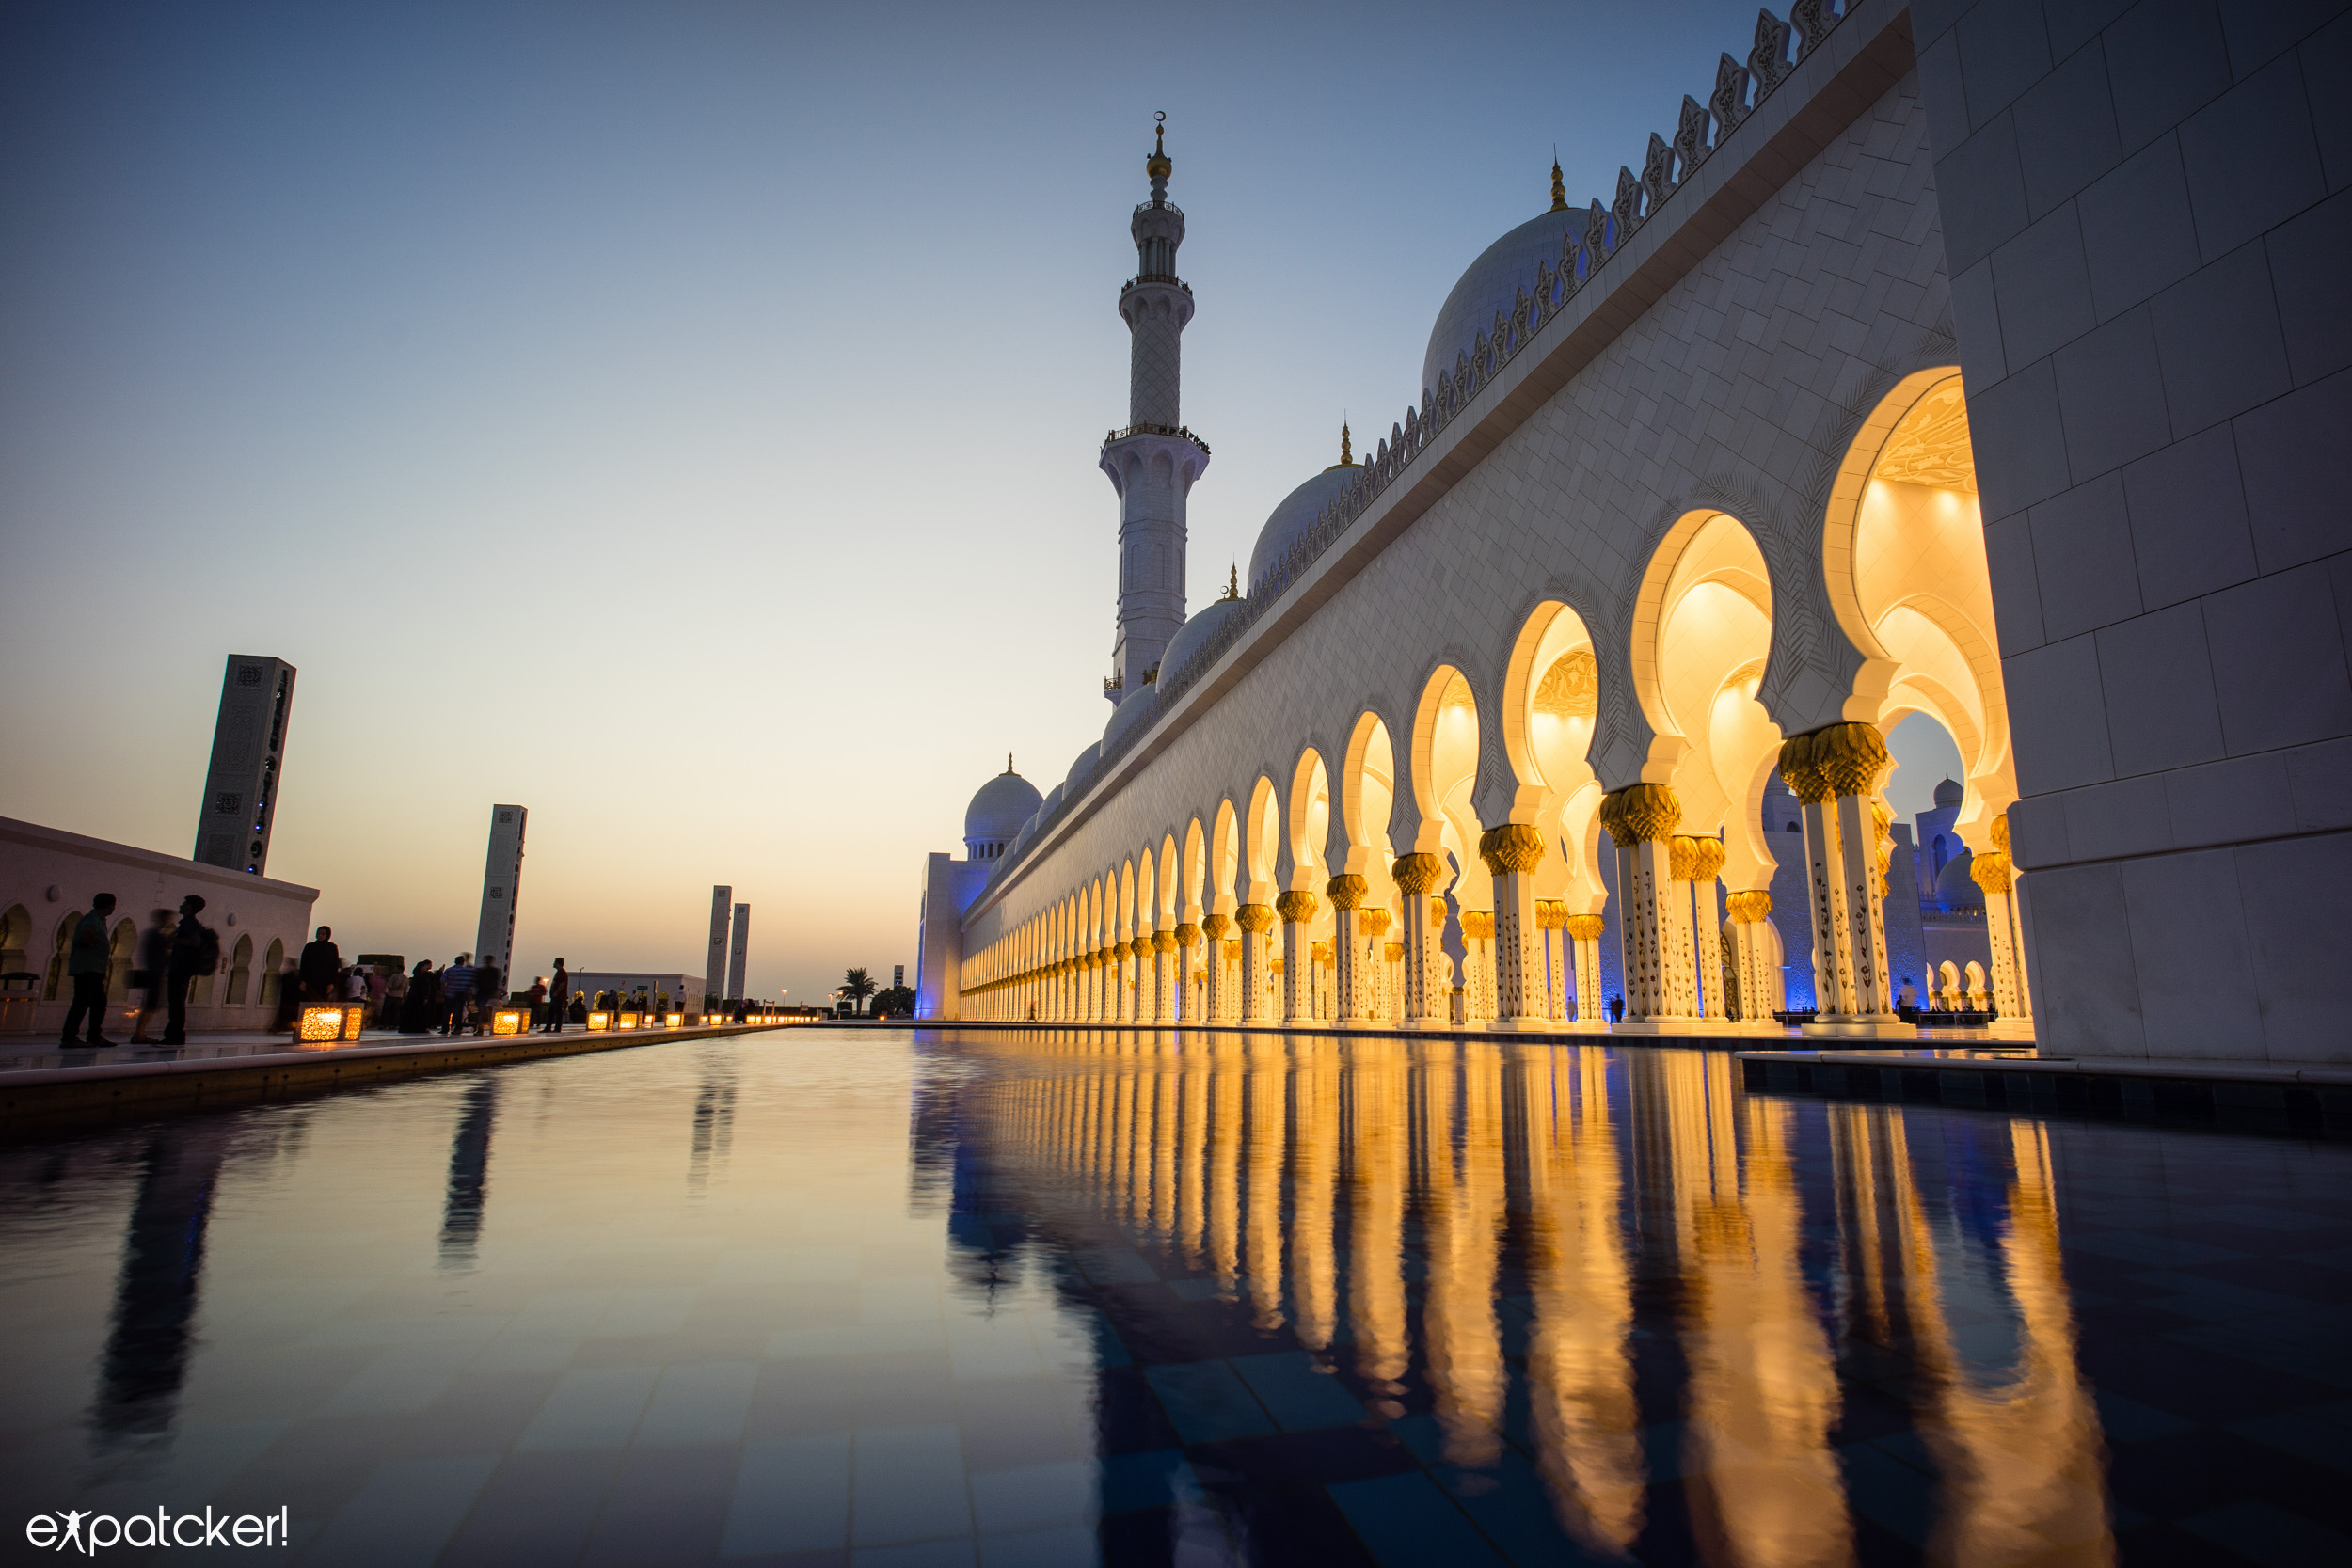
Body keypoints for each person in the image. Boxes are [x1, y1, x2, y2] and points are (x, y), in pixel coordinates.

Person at [160, 895, 219, 1046]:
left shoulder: (189, 923)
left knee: (177, 1003)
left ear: (190, 907)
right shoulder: (188, 924)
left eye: (184, 903)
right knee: (177, 1003)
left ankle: (175, 1036)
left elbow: (195, 942)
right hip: (182, 968)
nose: (181, 905)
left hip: (181, 968)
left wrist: (175, 940)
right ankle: (174, 1034)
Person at [61, 893, 118, 1048]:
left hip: (95, 970)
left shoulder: (98, 919)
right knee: (81, 1003)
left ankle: (94, 1036)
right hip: (88, 969)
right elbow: (87, 930)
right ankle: (69, 1037)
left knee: (98, 1003)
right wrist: (90, 943)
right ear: (109, 906)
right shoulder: (92, 918)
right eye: (113, 905)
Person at [130, 907, 174, 1044]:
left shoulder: (151, 934)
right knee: (150, 1005)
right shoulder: (156, 936)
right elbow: (161, 956)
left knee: (149, 1005)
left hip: (152, 973)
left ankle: (139, 1033)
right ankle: (139, 1034)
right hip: (155, 975)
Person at [298, 926, 342, 1002]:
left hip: (325, 982)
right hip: (310, 981)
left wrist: (332, 982)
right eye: (319, 933)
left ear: (327, 935)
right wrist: (302, 980)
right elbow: (304, 964)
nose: (320, 936)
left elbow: (334, 966)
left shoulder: (332, 948)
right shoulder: (310, 947)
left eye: (323, 934)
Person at [439, 954, 475, 1035]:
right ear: (463, 962)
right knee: (458, 1012)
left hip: (449, 994)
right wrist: (469, 994)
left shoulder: (449, 970)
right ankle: (457, 1028)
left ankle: (444, 1029)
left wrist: (443, 991)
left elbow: (442, 981)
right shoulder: (465, 971)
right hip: (461, 994)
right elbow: (469, 983)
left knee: (447, 1012)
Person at [400, 960, 438, 1033]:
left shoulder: (418, 976)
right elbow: (424, 988)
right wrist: (425, 997)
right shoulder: (422, 976)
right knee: (419, 1013)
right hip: (419, 997)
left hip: (414, 997)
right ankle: (419, 1027)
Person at [469, 957, 501, 1036]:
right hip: (482, 993)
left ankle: (483, 1028)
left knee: (484, 1011)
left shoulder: (490, 971)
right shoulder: (482, 971)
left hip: (487, 994)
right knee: (481, 1011)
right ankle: (481, 1028)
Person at [545, 958, 569, 1034]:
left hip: (558, 997)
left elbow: (562, 984)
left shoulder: (562, 972)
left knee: (558, 1013)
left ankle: (557, 1028)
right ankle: (548, 1027)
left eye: (555, 962)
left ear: (558, 963)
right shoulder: (559, 972)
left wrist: (556, 993)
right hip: (555, 996)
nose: (553, 964)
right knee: (551, 1012)